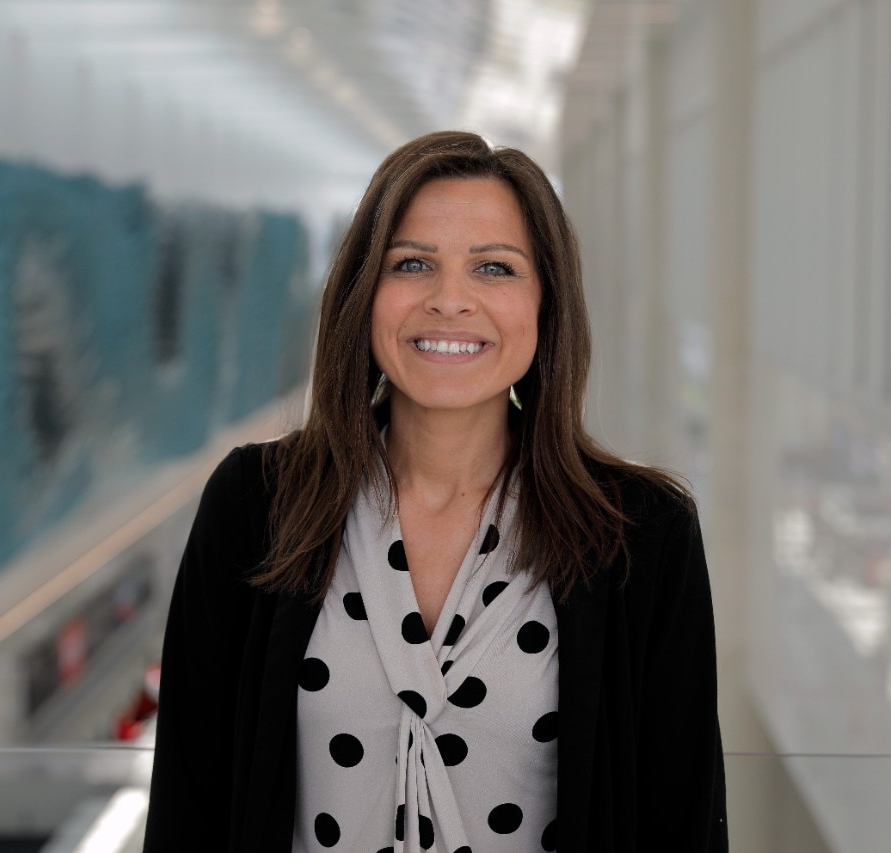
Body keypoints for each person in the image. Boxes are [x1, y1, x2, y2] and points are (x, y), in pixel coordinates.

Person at [142, 130, 727, 852]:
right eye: (412, 264)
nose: (450, 301)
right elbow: (189, 803)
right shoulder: (254, 504)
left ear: (546, 305)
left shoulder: (642, 534)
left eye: (495, 268)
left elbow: (681, 821)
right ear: (364, 294)